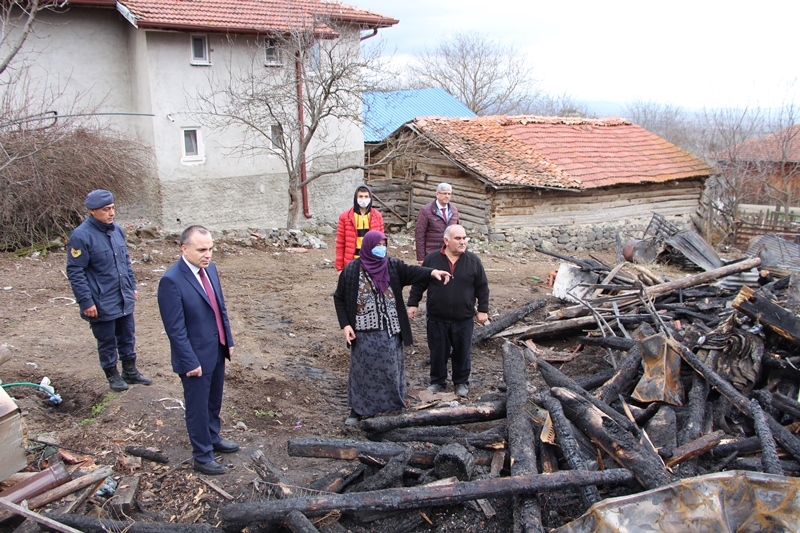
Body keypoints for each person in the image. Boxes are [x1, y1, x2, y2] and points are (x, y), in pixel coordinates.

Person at [333, 230, 451, 425]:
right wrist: (346, 325)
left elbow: (412, 272)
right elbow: (339, 298)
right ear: (368, 245)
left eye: (384, 244)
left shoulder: (392, 265)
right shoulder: (352, 270)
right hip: (363, 333)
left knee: (390, 370)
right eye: (377, 244)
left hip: (390, 331)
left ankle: (392, 405)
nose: (382, 248)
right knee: (362, 371)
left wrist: (432, 272)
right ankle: (358, 409)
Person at [157, 225, 238, 475]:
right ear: (184, 248)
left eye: (211, 249)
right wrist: (190, 361)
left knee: (214, 401)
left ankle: (213, 438)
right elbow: (175, 329)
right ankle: (202, 456)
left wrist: (228, 340)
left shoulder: (210, 270)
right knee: (197, 407)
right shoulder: (171, 281)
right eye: (202, 249)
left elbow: (219, 308)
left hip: (216, 348)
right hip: (194, 357)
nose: (208, 254)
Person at [66, 189, 151, 392]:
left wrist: (132, 286)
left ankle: (130, 371)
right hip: (100, 299)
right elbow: (76, 271)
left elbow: (125, 262)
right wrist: (86, 301)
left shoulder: (116, 231)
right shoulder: (81, 236)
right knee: (106, 340)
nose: (111, 213)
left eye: (112, 208)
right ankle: (112, 375)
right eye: (106, 209)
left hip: (122, 295)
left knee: (127, 335)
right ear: (93, 211)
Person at [407, 225, 489, 397]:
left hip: (463, 318)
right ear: (446, 241)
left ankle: (461, 382)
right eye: (458, 238)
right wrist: (413, 304)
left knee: (462, 351)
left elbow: (482, 288)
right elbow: (419, 283)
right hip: (437, 317)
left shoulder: (473, 261)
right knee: (438, 351)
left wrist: (483, 310)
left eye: (464, 238)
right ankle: (437, 381)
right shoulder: (432, 259)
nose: (462, 242)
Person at [335, 184, 385, 272]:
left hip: (371, 261)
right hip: (352, 261)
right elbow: (340, 243)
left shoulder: (377, 216)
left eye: (366, 196)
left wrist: (382, 262)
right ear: (356, 197)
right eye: (360, 196)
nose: (363, 199)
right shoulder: (345, 217)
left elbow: (382, 243)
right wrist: (339, 267)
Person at [415, 183, 459, 263]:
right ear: (437, 194)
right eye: (444, 193)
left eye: (449, 194)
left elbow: (458, 233)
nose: (447, 196)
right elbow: (420, 234)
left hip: (450, 254)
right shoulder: (426, 210)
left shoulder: (454, 210)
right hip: (432, 253)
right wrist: (421, 257)